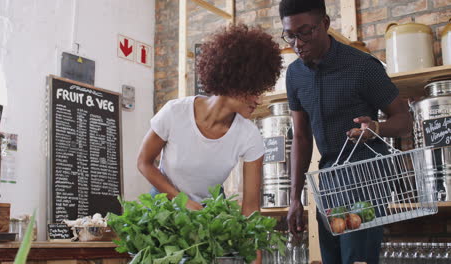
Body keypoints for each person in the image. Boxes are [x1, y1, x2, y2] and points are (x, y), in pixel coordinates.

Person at [279, 0, 412, 263]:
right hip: (328, 184)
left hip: (368, 180)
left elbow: (404, 120)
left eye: (305, 32)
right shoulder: (294, 74)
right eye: (290, 35)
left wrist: (376, 128)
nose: (298, 43)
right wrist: (295, 199)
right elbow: (302, 138)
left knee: (356, 259)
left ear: (325, 24)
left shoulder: (362, 66)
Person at [137, 24, 282, 215]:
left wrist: (254, 244)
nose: (259, 99)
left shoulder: (249, 135)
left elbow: (250, 209)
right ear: (234, 81)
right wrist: (182, 201)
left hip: (211, 217)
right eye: (253, 90)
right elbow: (144, 163)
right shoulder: (175, 112)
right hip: (163, 208)